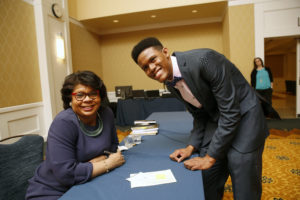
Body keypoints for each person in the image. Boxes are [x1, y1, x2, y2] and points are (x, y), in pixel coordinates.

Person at [131, 37, 269, 200]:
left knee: (240, 169)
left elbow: (231, 113)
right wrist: (191, 147)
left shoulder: (205, 60)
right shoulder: (170, 83)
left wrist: (210, 158)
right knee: (207, 175)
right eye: (145, 68)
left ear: (166, 52)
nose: (151, 68)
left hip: (245, 114)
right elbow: (199, 114)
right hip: (218, 117)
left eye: (153, 60)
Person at [26, 71, 125, 200]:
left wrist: (89, 165)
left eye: (93, 94)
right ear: (70, 99)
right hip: (54, 191)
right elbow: (66, 174)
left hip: (90, 182)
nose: (88, 99)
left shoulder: (106, 114)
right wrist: (107, 164)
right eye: (80, 95)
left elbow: (113, 147)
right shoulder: (63, 122)